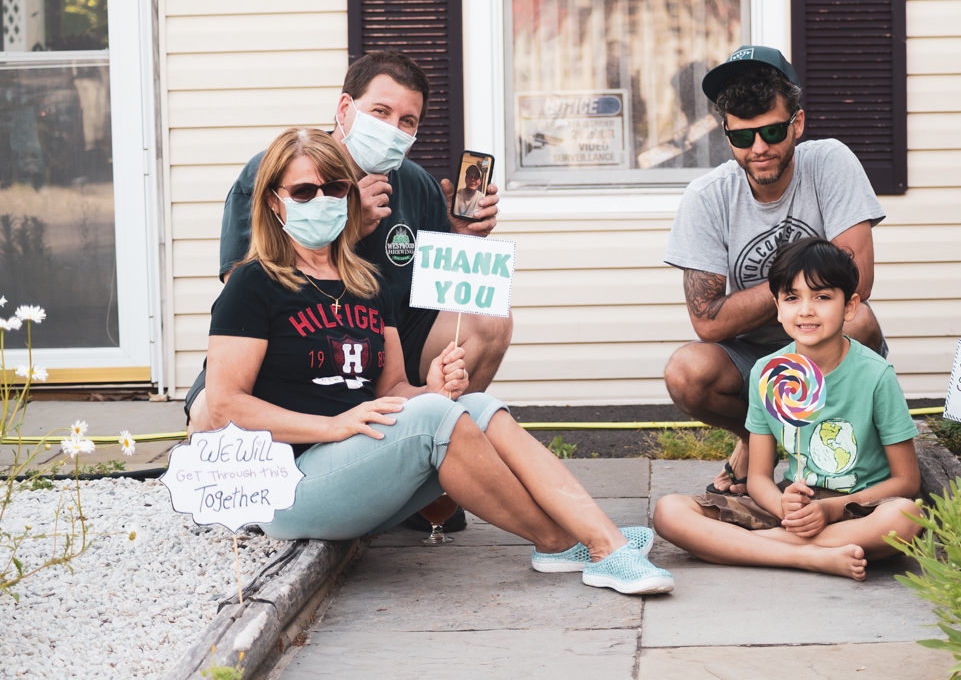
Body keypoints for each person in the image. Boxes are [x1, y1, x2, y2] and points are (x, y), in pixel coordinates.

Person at [193, 128, 675, 595]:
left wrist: (431, 389)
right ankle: (569, 542)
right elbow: (225, 406)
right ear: (274, 202)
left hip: (355, 467)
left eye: (334, 187)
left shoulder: (367, 283)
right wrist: (334, 426)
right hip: (288, 488)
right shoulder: (253, 284)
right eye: (303, 191)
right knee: (432, 418)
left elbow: (393, 390)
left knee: (478, 406)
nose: (322, 200)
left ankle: (598, 538)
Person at [186, 51, 512, 427]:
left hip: (386, 349)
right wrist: (347, 227)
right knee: (211, 414)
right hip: (292, 349)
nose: (393, 128)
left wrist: (460, 237)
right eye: (380, 112)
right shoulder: (278, 170)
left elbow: (442, 295)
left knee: (492, 317)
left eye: (407, 121)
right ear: (345, 108)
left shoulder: (417, 184)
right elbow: (243, 291)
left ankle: (443, 441)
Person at [662, 45, 887, 496]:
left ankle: (810, 454)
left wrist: (770, 299)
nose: (759, 149)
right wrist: (808, 282)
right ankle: (757, 436)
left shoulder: (830, 162)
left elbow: (858, 280)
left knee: (858, 320)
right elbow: (708, 322)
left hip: (830, 342)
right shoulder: (706, 196)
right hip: (753, 356)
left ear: (797, 123)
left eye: (771, 131)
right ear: (727, 133)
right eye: (743, 137)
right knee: (686, 371)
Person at [652, 239, 921, 580]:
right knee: (669, 511)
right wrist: (783, 506)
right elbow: (759, 477)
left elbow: (906, 481)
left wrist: (830, 509)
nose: (806, 310)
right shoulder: (768, 373)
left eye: (822, 297)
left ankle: (751, 547)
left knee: (906, 517)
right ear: (777, 308)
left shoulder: (875, 375)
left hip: (855, 509)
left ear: (850, 306)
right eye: (792, 298)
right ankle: (810, 556)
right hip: (791, 507)